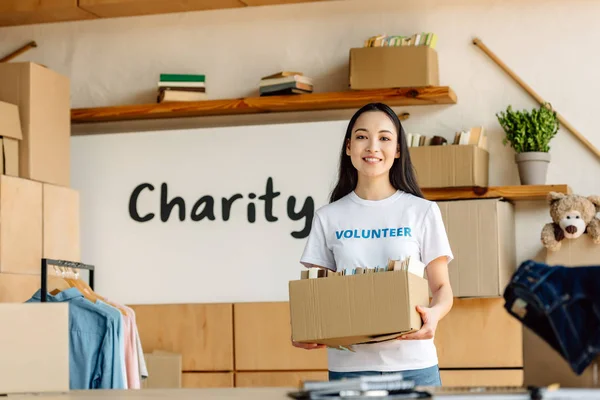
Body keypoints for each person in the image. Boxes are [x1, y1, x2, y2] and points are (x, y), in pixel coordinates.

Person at [292, 102, 454, 386]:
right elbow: (315, 295)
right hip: (349, 369)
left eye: (384, 138)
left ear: (398, 150)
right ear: (348, 147)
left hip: (414, 366)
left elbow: (442, 288)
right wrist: (305, 326)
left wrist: (434, 315)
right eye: (362, 136)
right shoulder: (328, 218)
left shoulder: (422, 211)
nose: (372, 147)